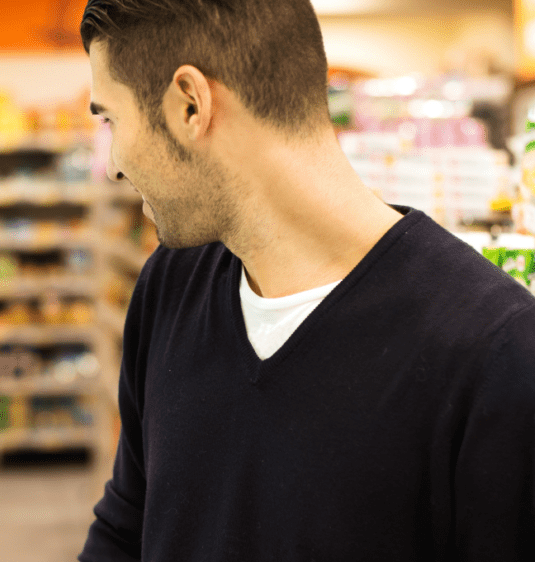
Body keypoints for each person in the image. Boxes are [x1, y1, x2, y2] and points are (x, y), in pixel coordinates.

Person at [77, 1, 535, 561]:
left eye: (111, 120)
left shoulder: (494, 353)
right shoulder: (170, 287)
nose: (113, 165)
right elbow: (126, 530)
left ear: (190, 104)